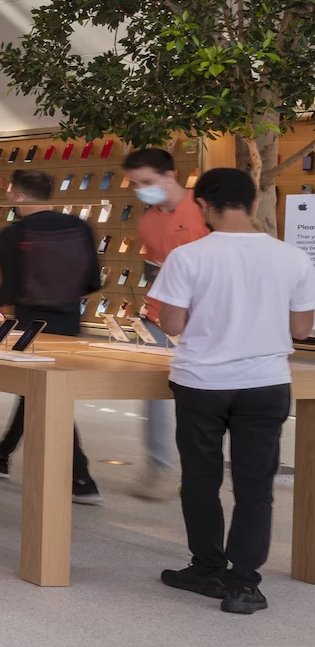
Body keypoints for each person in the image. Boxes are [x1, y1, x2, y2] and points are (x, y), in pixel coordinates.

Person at [146, 166, 315, 615]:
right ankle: (244, 584)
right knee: (255, 485)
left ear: (201, 204)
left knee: (201, 480)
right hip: (265, 383)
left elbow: (172, 324)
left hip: (201, 383)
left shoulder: (188, 257)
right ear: (255, 203)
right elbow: (302, 327)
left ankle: (206, 568)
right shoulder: (293, 258)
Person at [0, 168, 103, 502]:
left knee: (47, 398)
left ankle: (82, 479)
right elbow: (93, 283)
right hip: (70, 326)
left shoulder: (13, 234)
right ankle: (2, 453)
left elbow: (9, 292)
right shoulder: (80, 227)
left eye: (9, 191)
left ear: (18, 195)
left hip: (33, 328)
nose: (7, 197)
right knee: (35, 392)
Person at [128, 145, 206, 499]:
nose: (141, 189)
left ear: (170, 175)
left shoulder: (204, 209)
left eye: (146, 181)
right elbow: (159, 270)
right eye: (135, 184)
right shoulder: (148, 220)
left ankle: (199, 471)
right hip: (161, 317)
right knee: (154, 393)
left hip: (205, 321)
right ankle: (159, 466)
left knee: (200, 399)